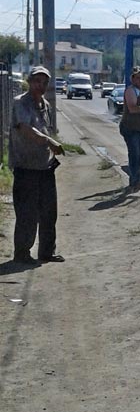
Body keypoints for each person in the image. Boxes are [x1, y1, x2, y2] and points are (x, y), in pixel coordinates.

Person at [8, 66, 65, 264]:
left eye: (44, 82)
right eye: (37, 81)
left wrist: (50, 143)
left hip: (45, 167)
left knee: (49, 213)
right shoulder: (20, 103)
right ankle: (22, 254)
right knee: (27, 214)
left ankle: (47, 252)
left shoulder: (46, 105)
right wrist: (49, 142)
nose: (40, 85)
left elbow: (46, 129)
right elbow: (25, 129)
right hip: (25, 167)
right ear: (29, 81)